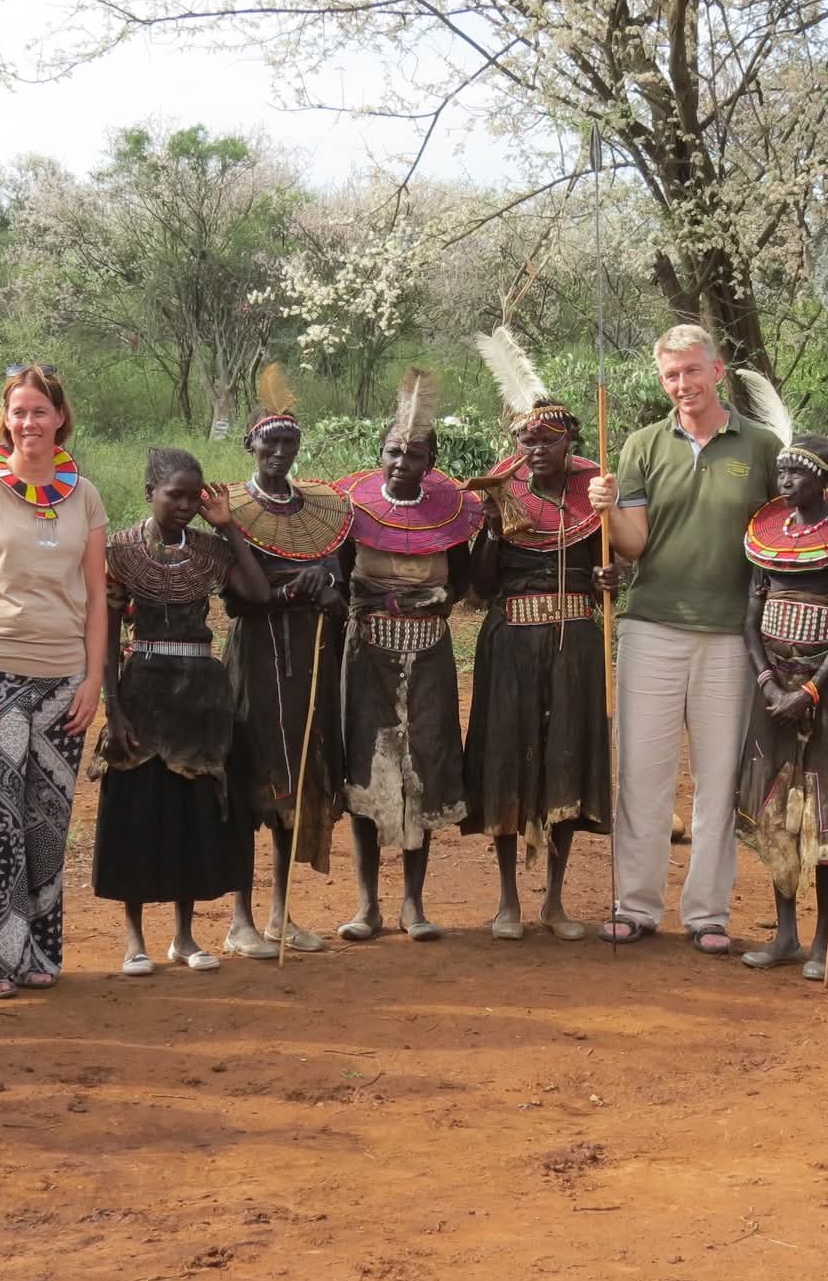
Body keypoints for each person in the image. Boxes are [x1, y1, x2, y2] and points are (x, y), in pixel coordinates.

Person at [586, 325, 782, 952]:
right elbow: (635, 544)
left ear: (717, 370)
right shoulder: (644, 445)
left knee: (719, 775)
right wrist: (608, 507)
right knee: (642, 770)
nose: (682, 386)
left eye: (692, 372)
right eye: (671, 376)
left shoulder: (762, 446)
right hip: (651, 625)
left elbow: (781, 535)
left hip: (732, 633)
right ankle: (635, 904)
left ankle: (707, 913)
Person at [0, 365, 108, 999]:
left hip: (63, 679)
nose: (29, 422)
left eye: (40, 411)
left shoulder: (83, 496)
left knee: (44, 823)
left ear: (60, 418)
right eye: (19, 412)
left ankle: (33, 951)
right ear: (5, 420)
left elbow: (96, 597)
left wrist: (94, 680)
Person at [92, 449, 272, 973]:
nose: (187, 505)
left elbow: (257, 595)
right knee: (138, 811)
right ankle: (134, 939)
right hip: (144, 689)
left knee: (191, 814)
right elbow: (104, 640)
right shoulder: (121, 551)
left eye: (195, 497)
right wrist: (114, 708)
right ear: (150, 490)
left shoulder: (211, 551)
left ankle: (185, 937)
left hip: (200, 695)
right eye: (176, 494)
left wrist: (230, 527)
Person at [461, 337, 613, 941]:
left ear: (568, 441)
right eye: (527, 441)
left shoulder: (596, 488)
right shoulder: (499, 490)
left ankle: (554, 898)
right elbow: (477, 588)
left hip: (575, 639)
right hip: (511, 642)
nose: (537, 449)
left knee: (566, 760)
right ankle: (507, 901)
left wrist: (610, 577)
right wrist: (493, 532)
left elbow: (616, 561)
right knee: (506, 760)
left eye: (548, 440)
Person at [333, 367, 482, 941]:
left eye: (414, 454)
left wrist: (424, 603)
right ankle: (366, 905)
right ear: (380, 453)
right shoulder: (353, 509)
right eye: (393, 451)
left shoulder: (453, 514)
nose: (402, 462)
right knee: (367, 770)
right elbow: (341, 577)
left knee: (427, 767)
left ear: (431, 460)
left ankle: (414, 904)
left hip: (430, 657)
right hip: (366, 652)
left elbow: (463, 585)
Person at [733, 421, 828, 981]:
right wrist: (769, 683)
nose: (784, 480)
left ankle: (822, 940)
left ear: (823, 482)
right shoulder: (767, 539)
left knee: (821, 812)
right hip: (771, 691)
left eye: (796, 473)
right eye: (782, 472)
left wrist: (812, 689)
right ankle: (785, 932)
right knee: (776, 811)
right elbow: (750, 620)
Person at [221, 368, 352, 958]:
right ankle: (240, 919)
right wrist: (288, 591)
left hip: (310, 653)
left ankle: (280, 912)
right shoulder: (230, 510)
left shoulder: (325, 514)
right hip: (256, 655)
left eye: (288, 444)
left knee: (299, 773)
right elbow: (235, 597)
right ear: (250, 443)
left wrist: (325, 587)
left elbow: (341, 592)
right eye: (268, 442)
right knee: (254, 776)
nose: (278, 453)